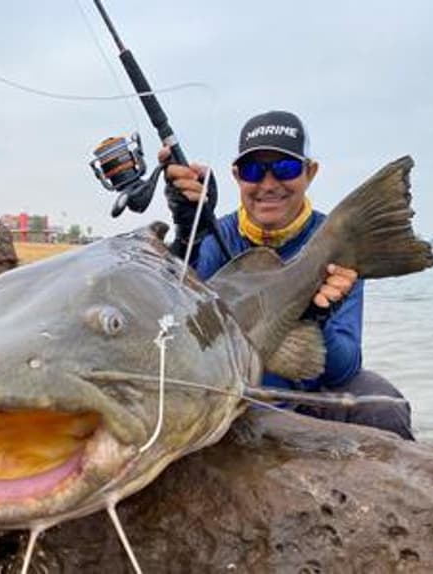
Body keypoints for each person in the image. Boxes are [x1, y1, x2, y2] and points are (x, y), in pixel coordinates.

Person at [161, 110, 414, 440]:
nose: (268, 183)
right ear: (237, 176)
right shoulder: (212, 238)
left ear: (310, 172)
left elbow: (344, 369)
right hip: (235, 398)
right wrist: (187, 232)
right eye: (254, 170)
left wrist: (318, 316)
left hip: (309, 396)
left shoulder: (337, 240)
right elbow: (172, 327)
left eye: (285, 168)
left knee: (382, 404)